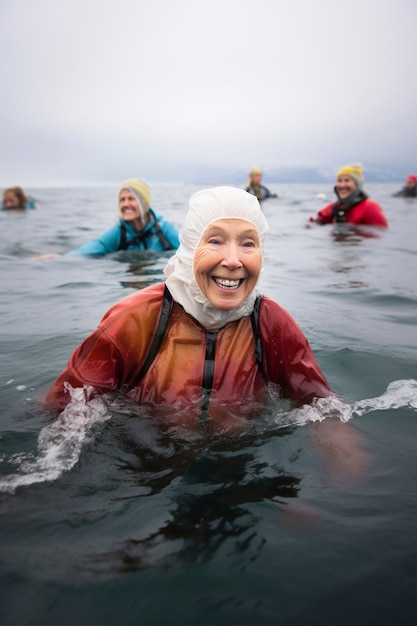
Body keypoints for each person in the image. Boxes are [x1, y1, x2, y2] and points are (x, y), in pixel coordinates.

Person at [67, 179, 179, 255]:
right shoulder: (118, 232)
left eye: (131, 199)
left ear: (143, 203)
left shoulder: (164, 229)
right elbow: (94, 247)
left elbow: (190, 254)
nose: (125, 204)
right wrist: (62, 258)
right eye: (122, 200)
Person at [308, 164, 388, 228]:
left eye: (347, 180)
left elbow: (381, 234)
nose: (342, 185)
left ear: (357, 185)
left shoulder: (370, 206)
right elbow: (317, 221)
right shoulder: (334, 207)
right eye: (339, 181)